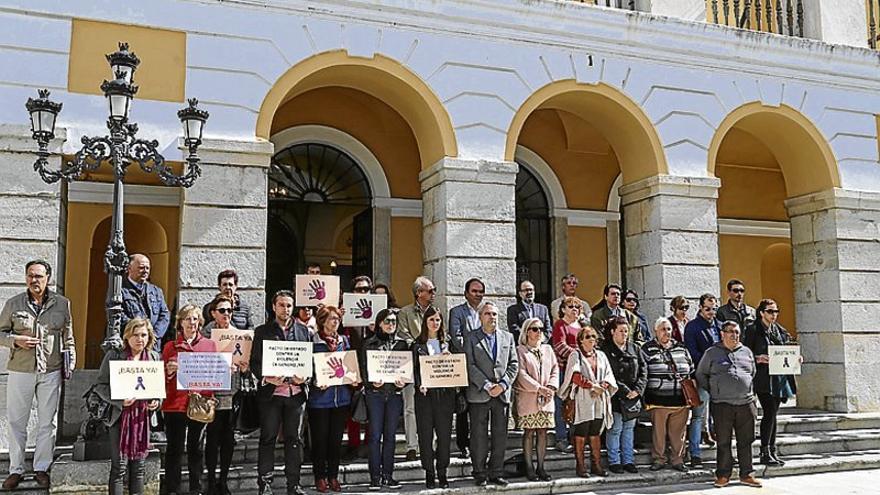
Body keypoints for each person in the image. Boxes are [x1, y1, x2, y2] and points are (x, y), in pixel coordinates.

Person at [0, 260, 75, 490]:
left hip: (50, 371)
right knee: (16, 422)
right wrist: (16, 341)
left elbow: (68, 336)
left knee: (47, 423)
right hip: (21, 370)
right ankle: (16, 469)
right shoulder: (14, 304)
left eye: (39, 276)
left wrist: (70, 360)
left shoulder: (62, 304)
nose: (35, 280)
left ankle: (42, 467)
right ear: (26, 278)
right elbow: (0, 333)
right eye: (31, 276)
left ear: (48, 278)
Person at [250, 290, 311, 495]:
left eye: (289, 305)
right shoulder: (262, 331)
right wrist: (267, 378)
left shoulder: (304, 332)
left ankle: (293, 484)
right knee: (268, 438)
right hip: (272, 395)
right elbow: (255, 363)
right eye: (282, 305)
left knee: (295, 440)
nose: (286, 309)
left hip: (296, 394)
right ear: (274, 307)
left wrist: (306, 377)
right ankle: (265, 485)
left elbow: (309, 362)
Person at [95, 318, 161, 495]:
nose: (140, 339)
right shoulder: (115, 356)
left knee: (139, 466)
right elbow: (100, 385)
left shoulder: (154, 358)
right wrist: (119, 401)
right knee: (119, 466)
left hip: (142, 419)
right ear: (127, 336)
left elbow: (158, 389)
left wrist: (156, 402)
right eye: (136, 335)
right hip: (119, 418)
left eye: (144, 335)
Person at [696, 321, 762, 489]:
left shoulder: (746, 352)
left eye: (737, 332)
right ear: (722, 334)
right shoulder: (711, 353)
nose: (734, 335)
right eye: (731, 332)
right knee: (723, 441)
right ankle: (723, 475)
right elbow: (701, 375)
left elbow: (752, 373)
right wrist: (715, 390)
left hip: (746, 403)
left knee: (746, 440)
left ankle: (747, 474)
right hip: (722, 404)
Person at [161, 304, 217, 495]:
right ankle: (172, 489)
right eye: (188, 319)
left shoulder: (210, 345)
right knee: (174, 449)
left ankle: (196, 488)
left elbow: (213, 375)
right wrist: (169, 372)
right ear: (180, 323)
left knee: (196, 448)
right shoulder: (170, 347)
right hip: (174, 405)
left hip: (199, 404)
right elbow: (162, 377)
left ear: (200, 322)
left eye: (195, 319)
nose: (192, 323)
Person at [464, 302, 518, 486]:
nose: (492, 317)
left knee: (500, 434)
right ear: (480, 317)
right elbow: (469, 365)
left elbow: (514, 364)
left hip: (502, 394)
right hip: (480, 393)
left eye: (494, 314)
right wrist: (487, 385)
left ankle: (496, 471)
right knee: (478, 435)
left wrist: (503, 384)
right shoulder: (471, 338)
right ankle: (479, 472)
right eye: (487, 314)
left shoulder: (508, 337)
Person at [203, 294, 249, 495]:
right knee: (212, 439)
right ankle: (211, 480)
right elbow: (199, 363)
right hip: (212, 395)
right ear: (213, 313)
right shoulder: (204, 334)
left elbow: (246, 369)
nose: (226, 314)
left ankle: (223, 480)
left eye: (230, 310)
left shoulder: (239, 334)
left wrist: (245, 368)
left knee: (228, 440)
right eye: (222, 310)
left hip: (232, 393)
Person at [743, 299, 797, 467]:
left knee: (773, 413)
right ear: (761, 313)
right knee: (769, 411)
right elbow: (744, 352)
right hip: (762, 378)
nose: (773, 315)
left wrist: (795, 356)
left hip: (778, 377)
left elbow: (787, 346)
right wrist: (757, 358)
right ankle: (765, 451)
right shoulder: (753, 330)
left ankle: (771, 450)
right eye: (770, 311)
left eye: (776, 311)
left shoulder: (779, 330)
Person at [412, 306, 461, 489]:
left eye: (438, 320)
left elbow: (457, 367)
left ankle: (442, 472)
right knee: (425, 436)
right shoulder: (417, 345)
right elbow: (415, 370)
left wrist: (450, 358)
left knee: (444, 435)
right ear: (425, 322)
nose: (435, 323)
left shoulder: (448, 343)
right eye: (431, 319)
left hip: (444, 396)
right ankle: (429, 473)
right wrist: (419, 384)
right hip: (425, 396)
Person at [308, 305, 356, 493]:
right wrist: (315, 381)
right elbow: (308, 368)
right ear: (322, 321)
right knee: (319, 441)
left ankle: (333, 476)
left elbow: (350, 365)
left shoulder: (345, 340)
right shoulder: (313, 342)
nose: (335, 322)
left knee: (335, 440)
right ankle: (320, 477)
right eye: (331, 319)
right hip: (319, 400)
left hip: (340, 399)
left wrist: (353, 377)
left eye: (337, 318)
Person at [558, 325, 616, 478]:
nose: (591, 340)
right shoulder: (575, 355)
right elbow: (574, 376)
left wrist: (603, 386)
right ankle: (581, 466)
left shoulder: (601, 355)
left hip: (599, 397)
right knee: (581, 432)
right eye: (588, 337)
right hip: (583, 398)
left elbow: (609, 375)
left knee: (595, 432)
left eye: (593, 337)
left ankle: (596, 465)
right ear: (580, 340)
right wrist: (591, 385)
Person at [361, 308, 409, 490]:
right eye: (387, 321)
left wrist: (402, 383)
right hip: (375, 395)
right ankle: (374, 477)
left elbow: (406, 370)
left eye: (393, 322)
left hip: (395, 395)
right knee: (374, 436)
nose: (391, 325)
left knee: (390, 436)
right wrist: (373, 383)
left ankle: (388, 476)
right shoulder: (369, 343)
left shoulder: (402, 345)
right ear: (379, 323)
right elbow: (364, 370)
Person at [642, 317, 693, 473]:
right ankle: (659, 459)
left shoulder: (681, 348)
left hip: (680, 399)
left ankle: (678, 460)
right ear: (655, 331)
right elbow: (642, 372)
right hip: (658, 399)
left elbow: (690, 368)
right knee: (659, 433)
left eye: (669, 329)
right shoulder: (647, 348)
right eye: (663, 329)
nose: (667, 332)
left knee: (679, 433)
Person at [396, 276, 435, 461]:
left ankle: (431, 445)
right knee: (410, 407)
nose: (433, 293)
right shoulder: (405, 312)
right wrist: (421, 348)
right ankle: (411, 447)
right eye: (430, 290)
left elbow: (441, 336)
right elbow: (403, 336)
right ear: (419, 293)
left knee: (431, 407)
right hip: (411, 365)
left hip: (432, 367)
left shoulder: (436, 312)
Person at [514, 317, 558, 481]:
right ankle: (529, 467)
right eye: (534, 329)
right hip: (529, 397)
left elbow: (555, 370)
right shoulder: (520, 350)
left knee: (543, 432)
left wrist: (551, 387)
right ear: (526, 331)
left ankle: (541, 467)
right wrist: (539, 388)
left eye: (540, 328)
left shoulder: (548, 349)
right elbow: (521, 374)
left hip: (546, 399)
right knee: (529, 432)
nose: (538, 332)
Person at [602, 316, 647, 474]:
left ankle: (628, 461)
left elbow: (643, 370)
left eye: (626, 331)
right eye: (621, 331)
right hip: (616, 396)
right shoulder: (605, 350)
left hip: (633, 397)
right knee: (615, 429)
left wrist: (638, 390)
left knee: (629, 429)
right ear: (613, 331)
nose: (624, 334)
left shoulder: (634, 348)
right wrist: (625, 390)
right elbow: (608, 374)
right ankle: (615, 461)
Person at [683, 293, 723, 468]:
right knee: (698, 417)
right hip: (702, 377)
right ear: (700, 307)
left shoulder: (720, 326)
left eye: (714, 309)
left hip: (721, 378)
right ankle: (695, 454)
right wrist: (711, 364)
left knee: (722, 417)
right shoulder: (692, 327)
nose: (711, 312)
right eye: (707, 309)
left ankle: (724, 453)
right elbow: (692, 352)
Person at [447, 277, 484, 459]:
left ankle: (480, 443)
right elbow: (456, 338)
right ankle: (464, 444)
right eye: (474, 291)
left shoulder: (486, 312)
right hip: (464, 365)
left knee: (481, 406)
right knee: (464, 408)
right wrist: (476, 352)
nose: (478, 295)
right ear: (466, 293)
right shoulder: (457, 312)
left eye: (480, 291)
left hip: (484, 367)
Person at [341, 276, 373, 460]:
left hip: (371, 365)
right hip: (349, 364)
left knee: (371, 405)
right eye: (359, 289)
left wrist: (375, 329)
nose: (363, 292)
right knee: (352, 405)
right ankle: (353, 444)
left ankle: (369, 443)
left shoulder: (377, 315)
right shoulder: (345, 315)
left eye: (366, 289)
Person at [549, 295, 583, 453]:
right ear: (563, 309)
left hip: (579, 370)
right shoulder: (560, 325)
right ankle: (561, 438)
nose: (574, 310)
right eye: (571, 307)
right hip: (563, 370)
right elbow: (559, 346)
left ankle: (576, 436)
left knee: (576, 403)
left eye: (577, 307)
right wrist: (577, 354)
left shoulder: (582, 326)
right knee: (561, 403)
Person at [120, 254, 170, 352]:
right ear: (129, 268)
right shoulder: (120, 290)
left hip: (153, 346)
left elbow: (165, 315)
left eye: (147, 268)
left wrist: (153, 335)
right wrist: (139, 332)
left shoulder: (156, 291)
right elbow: (119, 315)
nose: (145, 271)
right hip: (131, 345)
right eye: (141, 268)